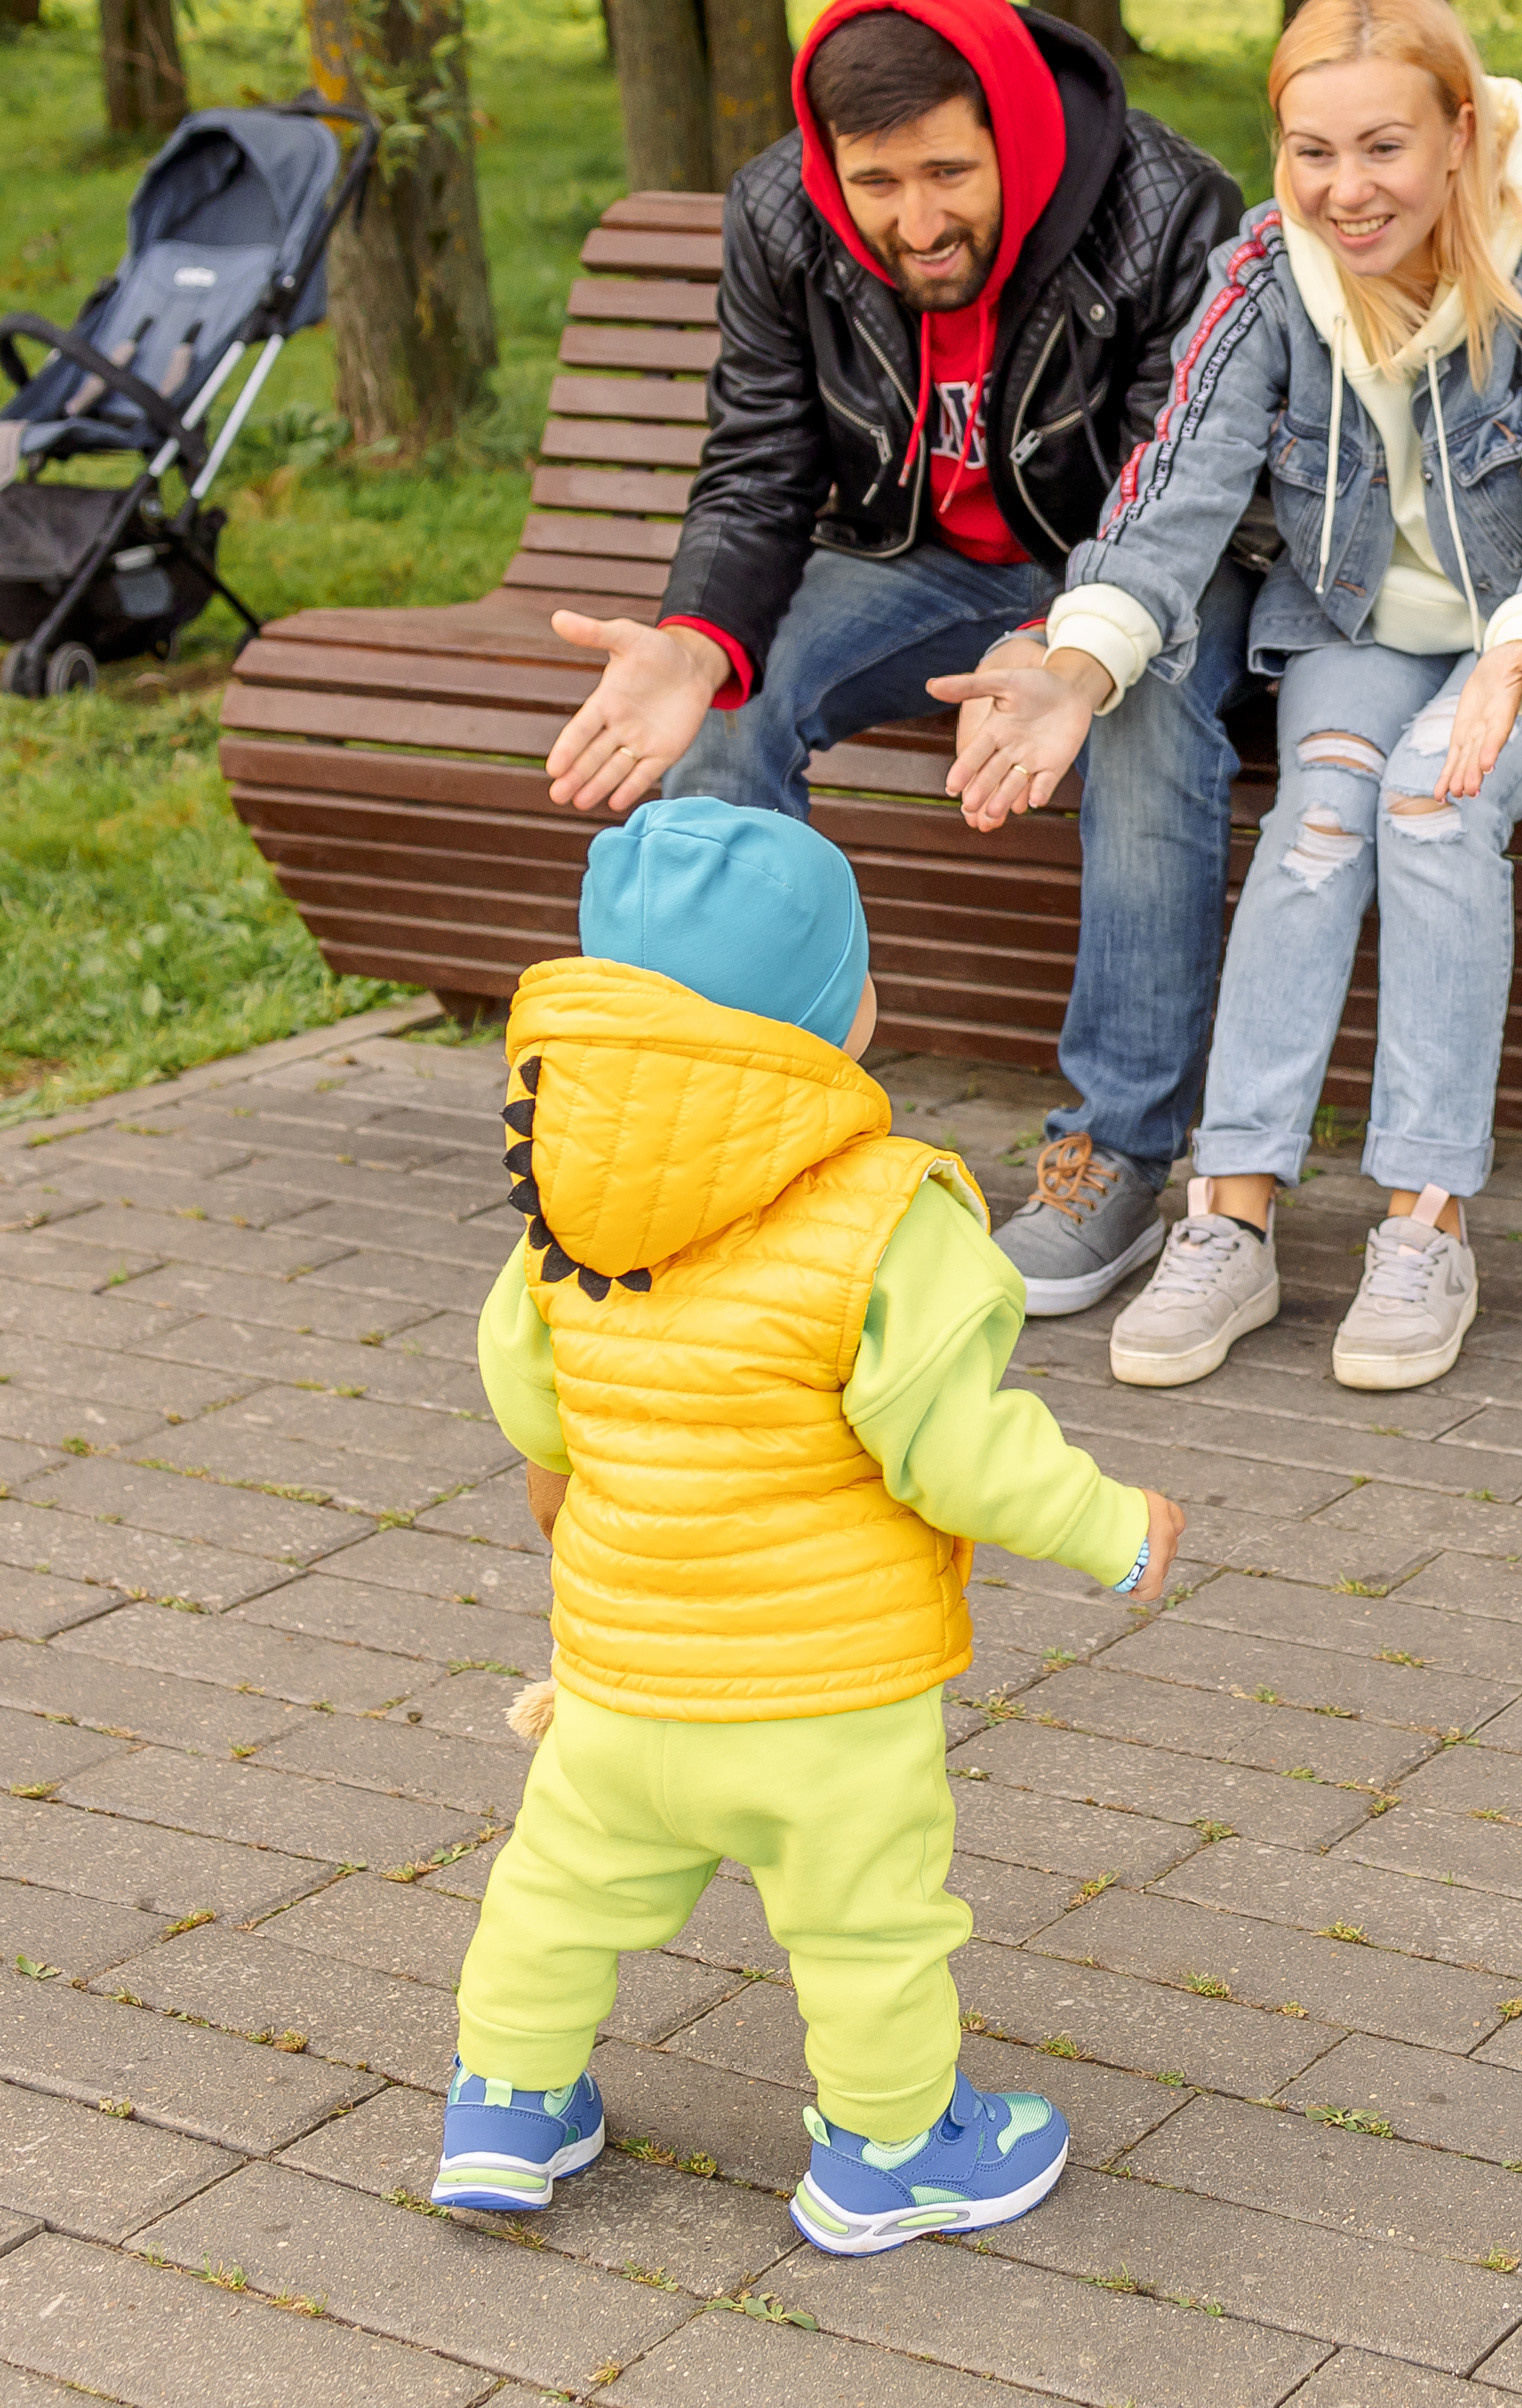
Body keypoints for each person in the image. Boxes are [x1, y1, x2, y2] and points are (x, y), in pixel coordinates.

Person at [940, 0, 1522, 1395]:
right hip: (1367, 621)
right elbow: (1170, 491)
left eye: (1382, 147)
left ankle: (1424, 1224)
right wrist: (1076, 666)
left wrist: (1517, 658)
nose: (1346, 189)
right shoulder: (1266, 271)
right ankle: (1228, 1221)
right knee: (1318, 824)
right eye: (1313, 151)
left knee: (1435, 803)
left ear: (1456, 134)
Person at [431, 798, 1186, 2255]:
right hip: (822, 1699)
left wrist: (566, 1472)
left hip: (617, 1678)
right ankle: (893, 2151)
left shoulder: (564, 1194)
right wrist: (1110, 1527)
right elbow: (954, 1450)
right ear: (844, 1017)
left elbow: (530, 1389)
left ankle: (506, 2105)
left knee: (555, 1891)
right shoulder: (890, 1216)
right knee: (866, 1928)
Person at [537, 0, 1252, 1320]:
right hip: (917, 561)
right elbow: (758, 463)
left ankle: (1112, 1157)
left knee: (1143, 718)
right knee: (729, 701)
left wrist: (1066, 643)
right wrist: (696, 641)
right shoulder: (783, 214)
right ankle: (741, 1132)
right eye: (877, 185)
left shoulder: (1168, 209)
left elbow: (1184, 488)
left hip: (1143, 570)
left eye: (946, 174)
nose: (915, 223)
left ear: (1011, 132)